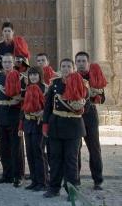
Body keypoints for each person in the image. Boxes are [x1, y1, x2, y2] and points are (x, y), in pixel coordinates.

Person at [43, 58, 89, 199]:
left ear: (74, 69)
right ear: (60, 68)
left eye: (69, 66)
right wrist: (45, 125)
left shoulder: (82, 83)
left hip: (73, 127)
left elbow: (87, 105)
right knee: (55, 158)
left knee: (71, 159)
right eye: (63, 66)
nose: (66, 69)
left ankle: (72, 190)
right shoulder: (54, 84)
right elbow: (48, 106)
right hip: (56, 125)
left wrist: (80, 107)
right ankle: (54, 188)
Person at [0, 53, 26, 187]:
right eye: (5, 62)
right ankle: (7, 174)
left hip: (14, 115)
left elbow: (25, 98)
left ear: (14, 63)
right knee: (3, 147)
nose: (7, 64)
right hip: (0, 116)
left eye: (9, 62)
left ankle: (18, 175)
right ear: (2, 63)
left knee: (16, 148)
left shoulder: (21, 77)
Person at [75, 51, 105, 190]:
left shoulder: (95, 77)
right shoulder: (72, 77)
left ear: (88, 63)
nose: (81, 64)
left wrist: (95, 94)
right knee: (75, 149)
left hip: (90, 116)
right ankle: (75, 179)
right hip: (75, 117)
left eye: (83, 61)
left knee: (94, 149)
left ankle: (98, 180)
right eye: (78, 61)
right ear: (75, 63)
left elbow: (102, 99)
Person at [20, 66, 48, 191]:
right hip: (28, 123)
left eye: (35, 74)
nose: (33, 77)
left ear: (40, 75)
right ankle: (34, 180)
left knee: (38, 152)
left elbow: (49, 106)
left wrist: (43, 112)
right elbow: (23, 108)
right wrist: (21, 125)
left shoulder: (46, 89)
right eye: (31, 75)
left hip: (39, 124)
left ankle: (43, 182)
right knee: (30, 152)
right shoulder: (27, 88)